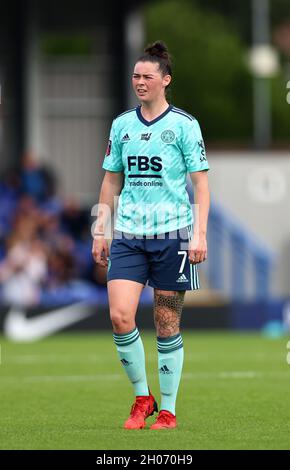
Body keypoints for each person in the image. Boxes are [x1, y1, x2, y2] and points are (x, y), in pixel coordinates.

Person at [92, 41, 210, 430]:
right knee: (120, 315)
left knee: (166, 322)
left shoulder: (184, 125)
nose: (139, 82)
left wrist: (199, 234)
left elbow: (201, 185)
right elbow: (111, 180)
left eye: (147, 76)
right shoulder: (122, 124)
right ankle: (143, 398)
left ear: (165, 80)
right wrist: (101, 228)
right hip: (128, 233)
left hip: (173, 234)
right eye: (136, 75)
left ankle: (170, 410)